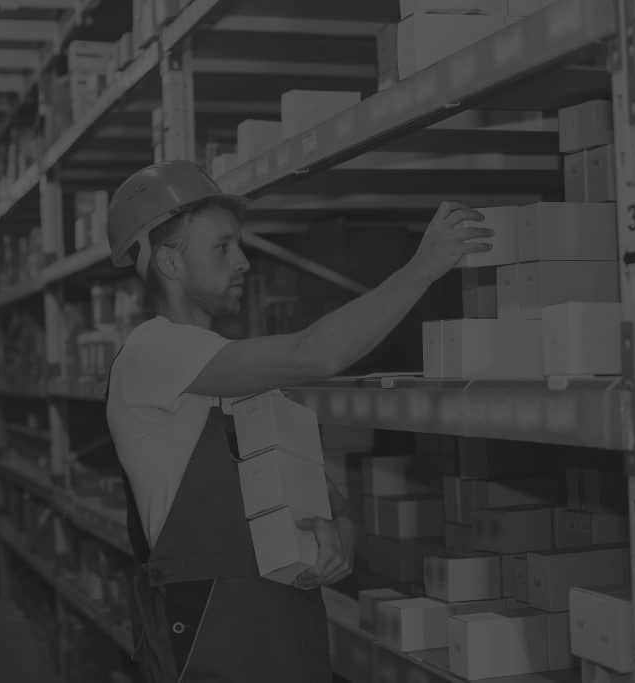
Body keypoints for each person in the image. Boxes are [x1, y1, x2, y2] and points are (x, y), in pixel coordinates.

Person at [103, 160, 491, 682]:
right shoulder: (152, 355)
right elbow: (315, 354)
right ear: (170, 263)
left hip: (283, 622)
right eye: (222, 247)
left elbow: (324, 497)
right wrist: (424, 266)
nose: (243, 261)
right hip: (212, 632)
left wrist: (333, 536)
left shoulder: (226, 368)